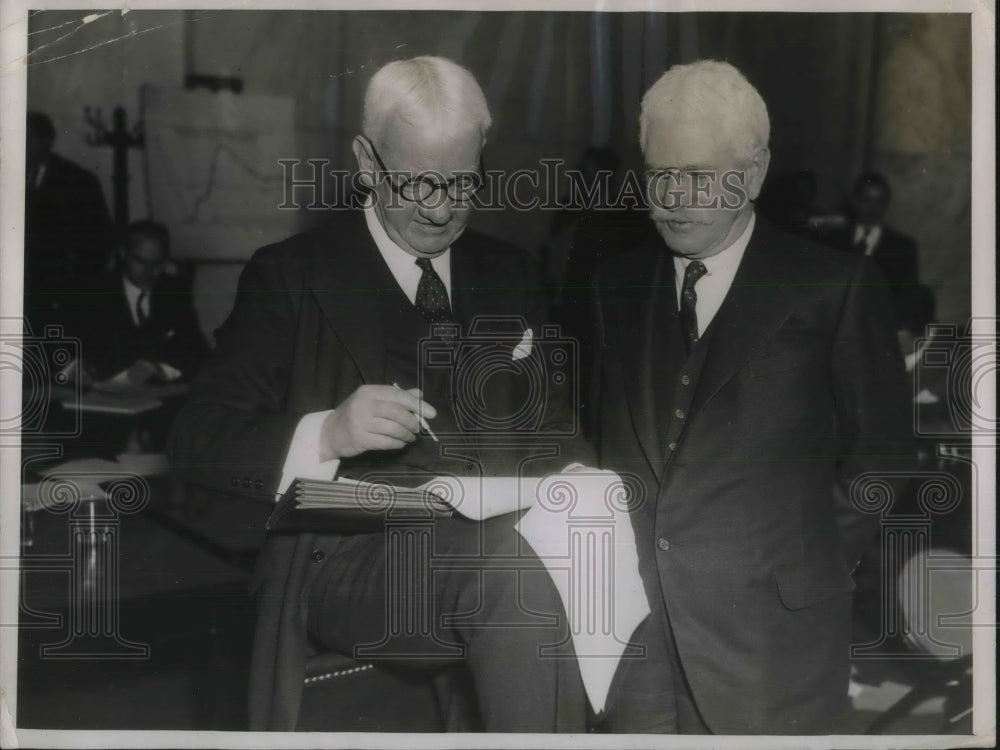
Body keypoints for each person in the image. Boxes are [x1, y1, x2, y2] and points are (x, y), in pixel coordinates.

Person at [169, 57, 594, 732]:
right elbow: (196, 438)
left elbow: (561, 433)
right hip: (346, 560)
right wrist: (327, 434)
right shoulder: (291, 277)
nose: (441, 206)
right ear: (367, 162)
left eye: (461, 180)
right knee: (517, 577)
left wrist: (588, 489)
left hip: (497, 542)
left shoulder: (511, 273)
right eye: (418, 181)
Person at [590, 60, 912, 734]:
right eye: (659, 176)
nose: (674, 198)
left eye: (699, 177)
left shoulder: (835, 286)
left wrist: (804, 564)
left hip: (776, 649)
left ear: (754, 174)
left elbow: (880, 460)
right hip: (634, 645)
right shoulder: (607, 286)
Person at [72, 219, 208, 383]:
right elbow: (70, 347)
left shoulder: (174, 292)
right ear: (123, 254)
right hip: (103, 395)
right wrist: (78, 369)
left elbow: (199, 353)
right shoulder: (94, 292)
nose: (148, 272)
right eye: (140, 262)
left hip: (158, 395)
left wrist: (163, 370)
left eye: (157, 264)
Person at [24, 112, 113, 328]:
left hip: (58, 296)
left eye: (26, 139)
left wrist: (73, 288)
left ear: (47, 141)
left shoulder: (78, 181)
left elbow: (99, 242)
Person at [821, 172, 919, 331]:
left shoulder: (903, 247)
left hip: (882, 330)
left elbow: (907, 299)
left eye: (879, 201)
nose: (873, 208)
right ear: (855, 201)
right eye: (866, 200)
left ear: (887, 203)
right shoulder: (832, 241)